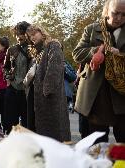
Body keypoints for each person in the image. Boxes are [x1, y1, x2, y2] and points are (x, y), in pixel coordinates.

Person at [73, 0, 125, 143]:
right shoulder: (91, 29)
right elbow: (77, 53)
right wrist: (96, 50)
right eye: (115, 13)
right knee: (96, 143)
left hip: (121, 94)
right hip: (96, 96)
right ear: (107, 10)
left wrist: (119, 55)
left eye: (124, 14)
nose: (119, 18)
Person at [25, 25, 71, 142]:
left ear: (42, 32)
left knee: (52, 132)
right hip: (37, 95)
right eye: (30, 36)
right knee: (41, 130)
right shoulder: (38, 51)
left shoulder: (53, 45)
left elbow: (54, 69)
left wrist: (47, 90)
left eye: (34, 34)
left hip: (49, 96)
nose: (32, 38)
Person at [3, 21, 32, 134]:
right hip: (13, 88)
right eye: (17, 34)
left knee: (27, 121)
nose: (19, 36)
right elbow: (5, 67)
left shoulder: (32, 49)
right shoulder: (12, 49)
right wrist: (8, 77)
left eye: (21, 33)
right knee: (10, 121)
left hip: (27, 90)